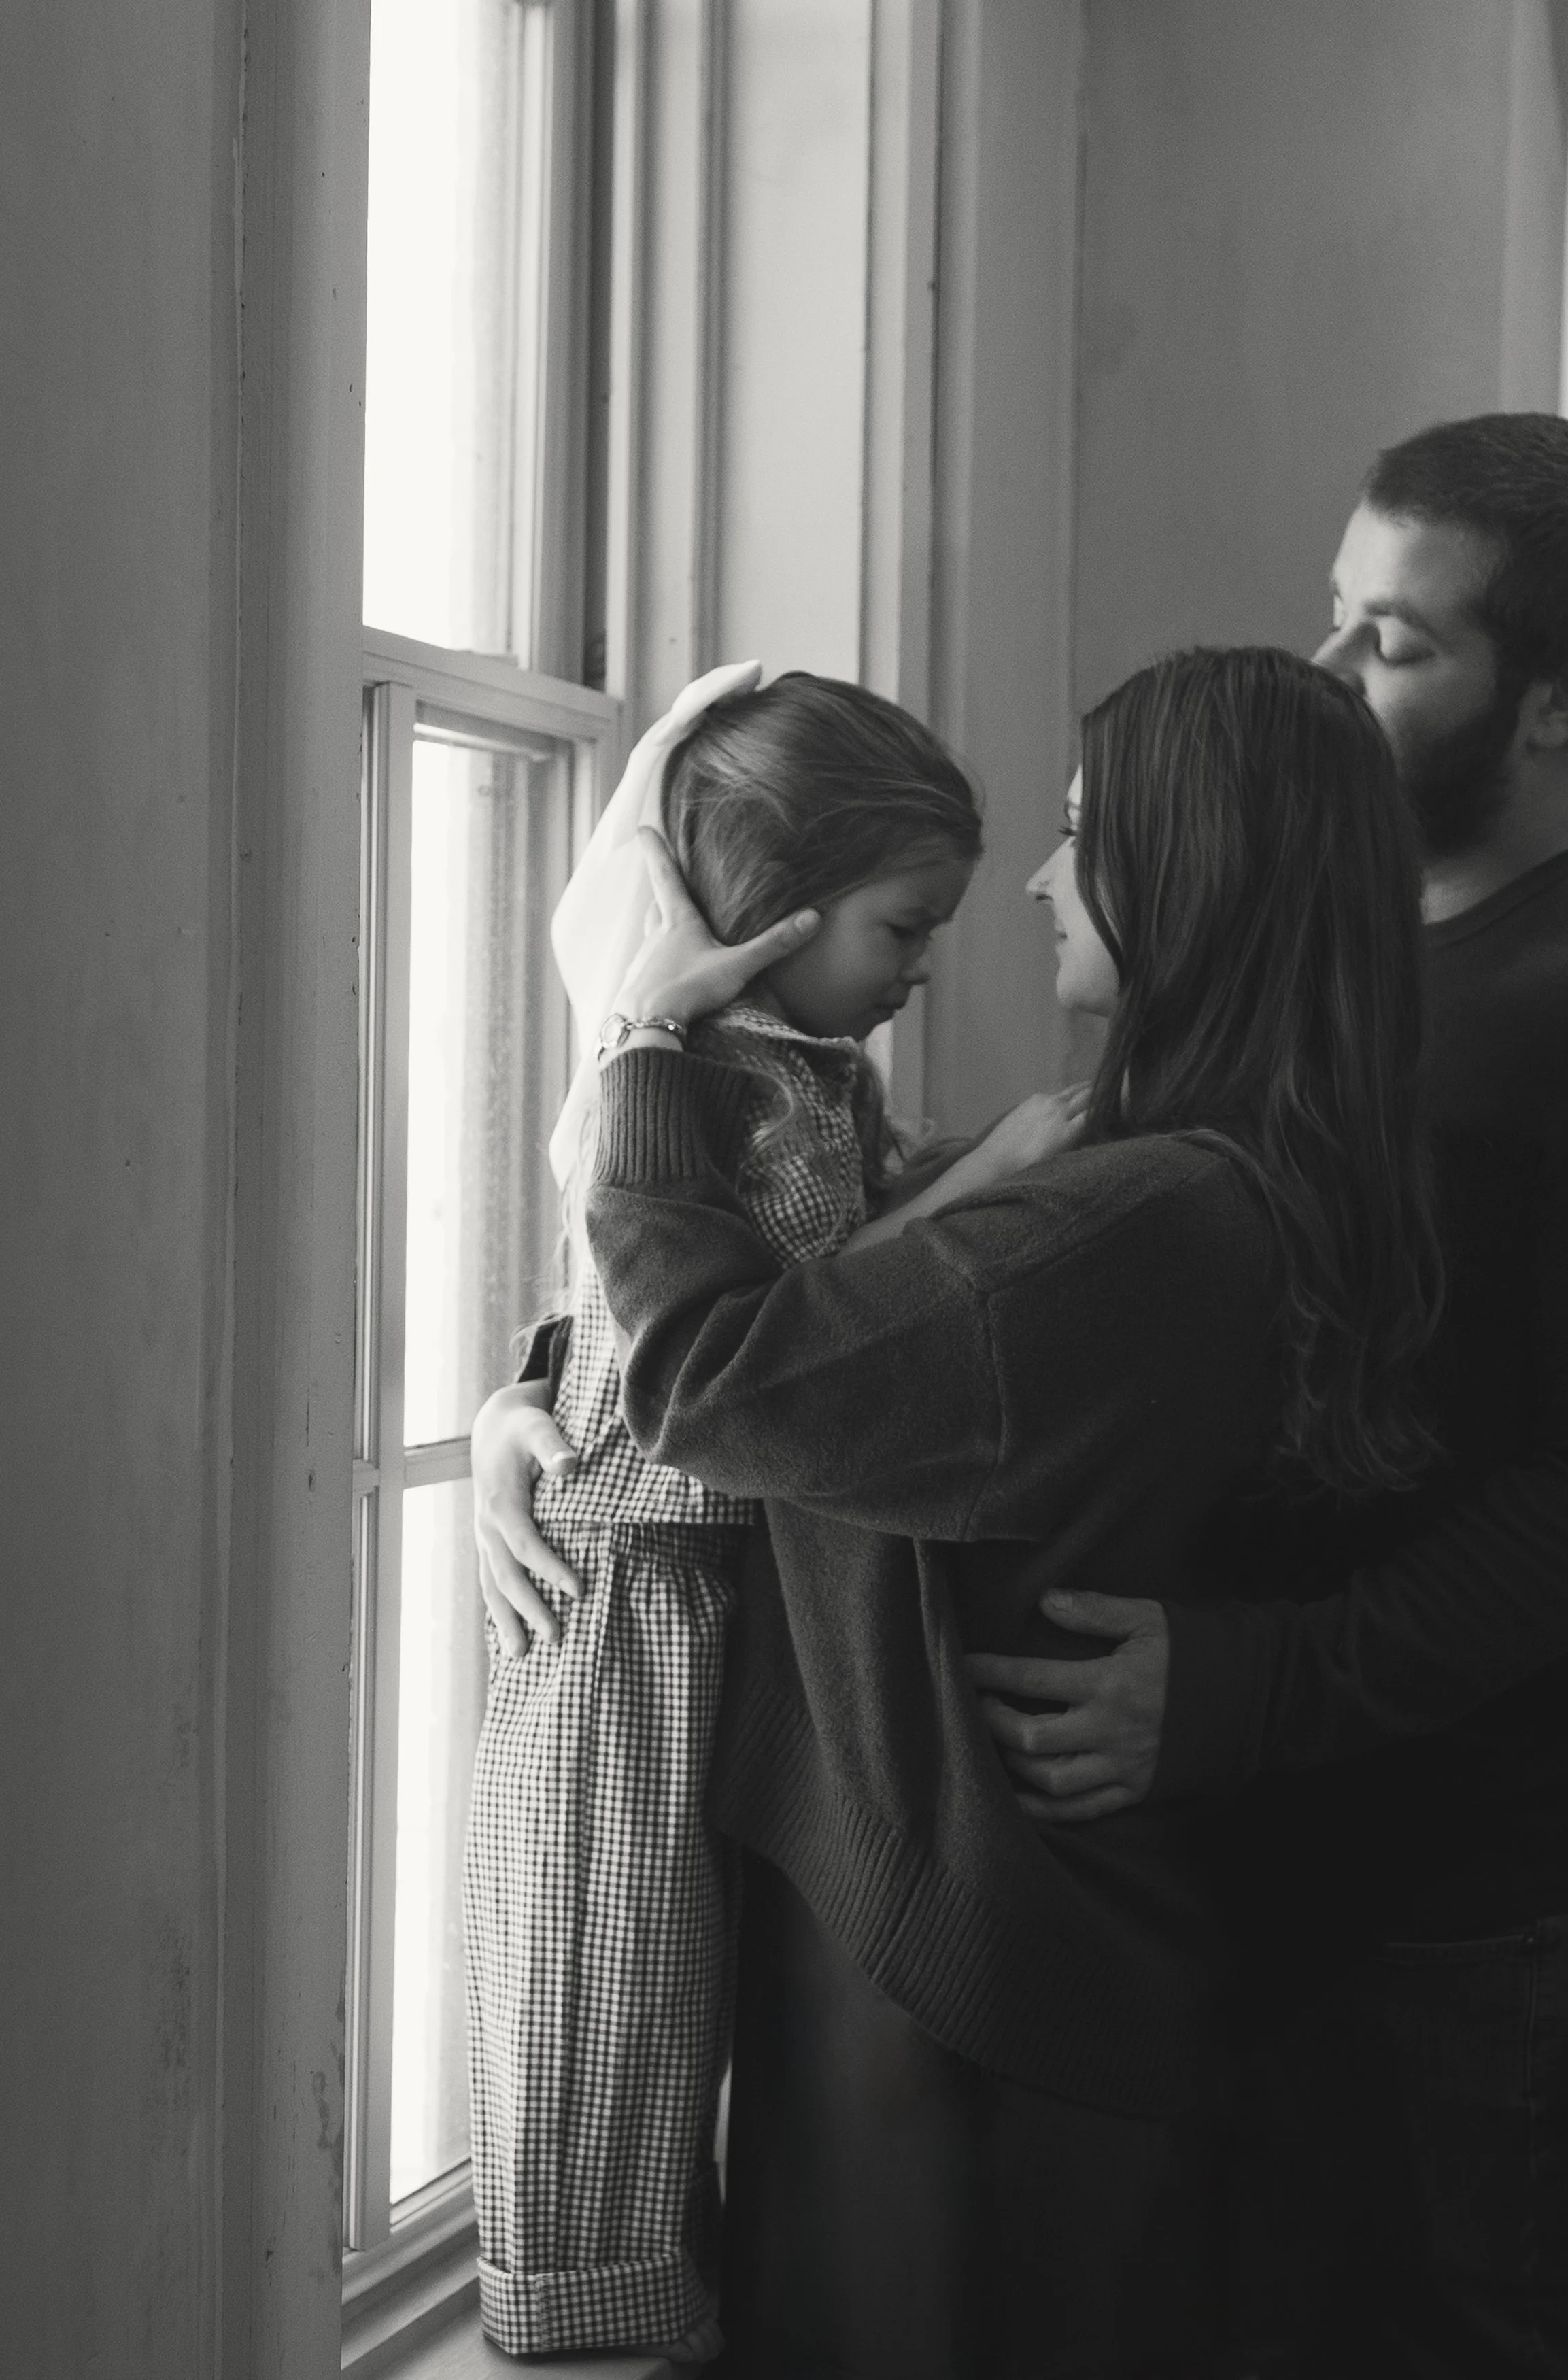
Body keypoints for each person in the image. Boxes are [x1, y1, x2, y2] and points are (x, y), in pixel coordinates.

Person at [479, 644, 1441, 2375]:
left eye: (1085, 838)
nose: (1046, 881)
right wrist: (530, 1398)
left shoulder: (1137, 1217)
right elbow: (834, 1345)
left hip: (963, 1964)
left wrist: (635, 1042)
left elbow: (726, 1382)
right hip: (1016, 1929)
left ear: (1190, 875)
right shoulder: (1181, 1176)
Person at [966, 415, 1568, 2378]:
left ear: (1560, 699)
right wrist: (583, 1400)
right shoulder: (1328, 945)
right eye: (1329, 613)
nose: (1317, 677)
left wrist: (1234, 1683)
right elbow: (1068, 1246)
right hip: (1250, 1875)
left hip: (1486, 1908)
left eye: (1389, 640)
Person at [464, 664, 1099, 2362]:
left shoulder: (796, 1073)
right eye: (899, 928)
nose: (913, 974)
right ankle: (581, 2329)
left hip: (727, 1610)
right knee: (602, 2029)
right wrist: (1001, 1170)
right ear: (773, 910)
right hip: (634, 1622)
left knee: (686, 2047)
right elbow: (778, 1352)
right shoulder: (693, 1079)